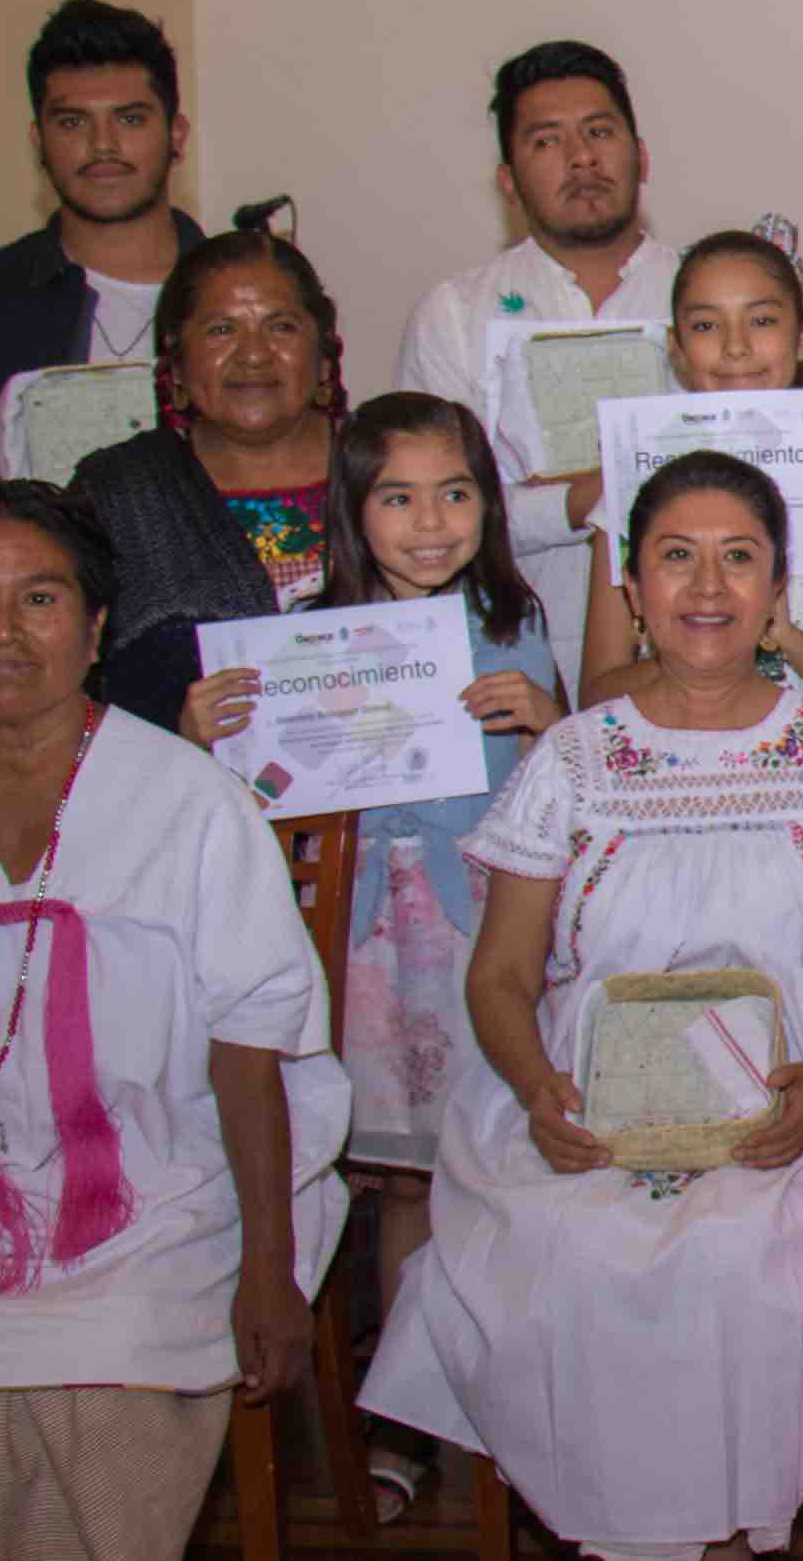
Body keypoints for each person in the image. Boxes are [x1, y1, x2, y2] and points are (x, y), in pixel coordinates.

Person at [361, 452, 803, 1558]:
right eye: (676, 557)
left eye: (738, 559)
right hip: (585, 1103)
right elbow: (500, 975)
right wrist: (538, 1092)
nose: (707, 588)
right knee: (572, 1257)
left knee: (747, 1262)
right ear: (629, 586)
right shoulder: (573, 759)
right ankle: (628, 1535)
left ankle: (729, 1534)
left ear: (778, 587)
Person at [0, 480, 348, 1558]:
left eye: (39, 599)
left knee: (101, 1367)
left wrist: (268, 1271)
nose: (2, 632)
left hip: (148, 1202)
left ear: (94, 629)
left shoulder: (189, 800)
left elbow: (253, 1049)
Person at [172, 392, 565, 1521]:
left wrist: (548, 717)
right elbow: (235, 803)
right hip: (363, 946)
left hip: (483, 937)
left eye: (455, 493)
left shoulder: (512, 619)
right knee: (400, 1183)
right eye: (397, 497)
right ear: (353, 509)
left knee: (497, 1173)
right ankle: (403, 1421)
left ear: (488, 505)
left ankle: (511, 1418)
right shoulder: (299, 630)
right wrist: (201, 736)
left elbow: (570, 782)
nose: (430, 523)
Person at [395, 40, 678, 695]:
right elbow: (426, 519)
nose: (581, 158)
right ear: (507, 182)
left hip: (698, 666)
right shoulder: (454, 314)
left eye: (599, 132)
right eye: (547, 141)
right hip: (507, 670)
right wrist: (582, 500)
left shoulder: (710, 299)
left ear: (641, 156)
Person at [0, 0, 207, 535]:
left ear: (176, 135)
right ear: (39, 141)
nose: (103, 145)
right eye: (72, 122)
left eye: (129, 119)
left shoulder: (245, 296)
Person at [576, 230, 803, 736]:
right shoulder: (629, 493)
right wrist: (702, 646)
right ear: (676, 347)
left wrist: (785, 636)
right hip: (675, 764)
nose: (736, 347)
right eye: (705, 325)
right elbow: (596, 695)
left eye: (761, 320)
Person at [70, 226, 347, 731]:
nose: (253, 354)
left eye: (281, 326)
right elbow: (64, 693)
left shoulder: (396, 469)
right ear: (175, 362)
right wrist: (172, 733)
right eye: (221, 329)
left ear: (324, 355)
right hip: (167, 780)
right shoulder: (117, 493)